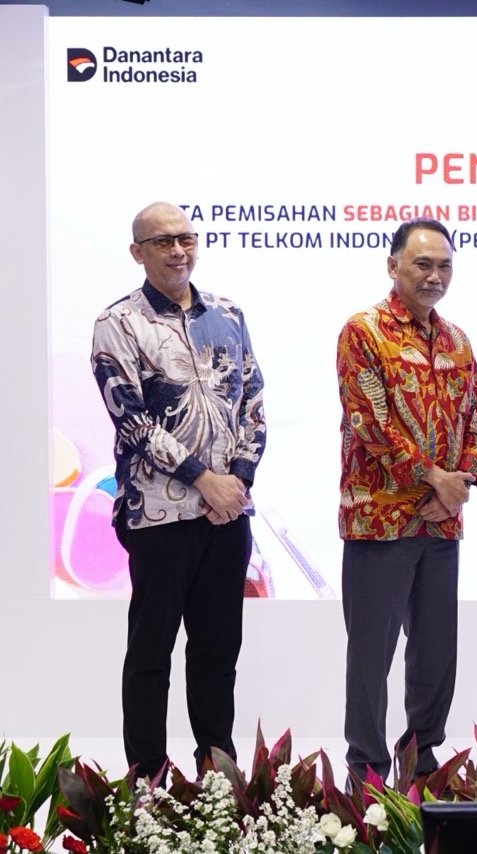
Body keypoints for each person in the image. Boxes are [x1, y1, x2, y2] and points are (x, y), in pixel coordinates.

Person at [91, 201, 266, 781]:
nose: (177, 250)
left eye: (186, 238)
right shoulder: (119, 324)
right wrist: (204, 480)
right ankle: (147, 778)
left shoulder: (229, 314)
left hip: (227, 517)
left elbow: (253, 402)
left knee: (217, 653)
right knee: (151, 654)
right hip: (158, 518)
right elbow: (133, 422)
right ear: (137, 252)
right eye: (162, 241)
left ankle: (217, 774)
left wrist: (237, 482)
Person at [337, 218, 477, 782]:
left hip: (441, 522)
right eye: (423, 264)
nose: (434, 276)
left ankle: (422, 763)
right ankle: (367, 772)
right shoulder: (364, 332)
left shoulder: (458, 340)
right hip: (379, 520)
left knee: (436, 654)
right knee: (370, 656)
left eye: (444, 265)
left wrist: (462, 482)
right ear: (393, 265)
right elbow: (369, 423)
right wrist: (433, 478)